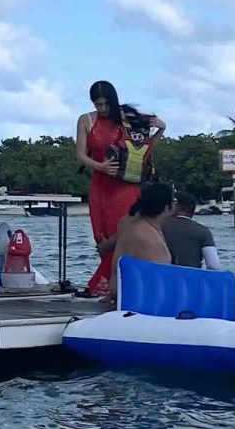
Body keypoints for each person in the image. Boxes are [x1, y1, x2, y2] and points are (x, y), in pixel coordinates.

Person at [77, 81, 165, 299]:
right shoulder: (86, 120)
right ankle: (111, 284)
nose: (103, 109)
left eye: (106, 104)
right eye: (98, 105)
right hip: (100, 185)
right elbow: (80, 154)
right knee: (102, 235)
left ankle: (118, 283)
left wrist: (161, 129)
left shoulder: (128, 118)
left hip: (126, 185)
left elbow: (146, 147)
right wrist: (100, 166)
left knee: (123, 231)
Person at [162, 190, 221, 270]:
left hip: (162, 277)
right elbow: (213, 265)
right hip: (191, 279)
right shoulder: (203, 231)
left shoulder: (157, 227)